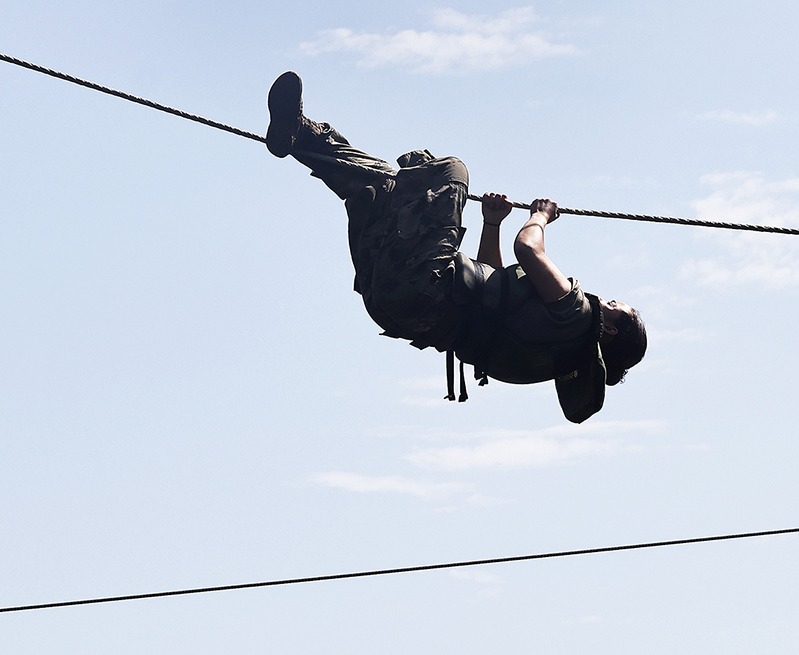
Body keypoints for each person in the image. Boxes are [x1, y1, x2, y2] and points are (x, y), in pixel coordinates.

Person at [264, 71, 646, 422]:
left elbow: (528, 250)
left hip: (426, 286)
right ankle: (298, 136)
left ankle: (308, 139)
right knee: (377, 188)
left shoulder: (577, 317)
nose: (608, 301)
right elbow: (492, 288)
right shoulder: (550, 356)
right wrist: (491, 223)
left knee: (451, 171)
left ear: (610, 330)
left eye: (615, 307)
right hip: (392, 304)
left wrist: (541, 216)